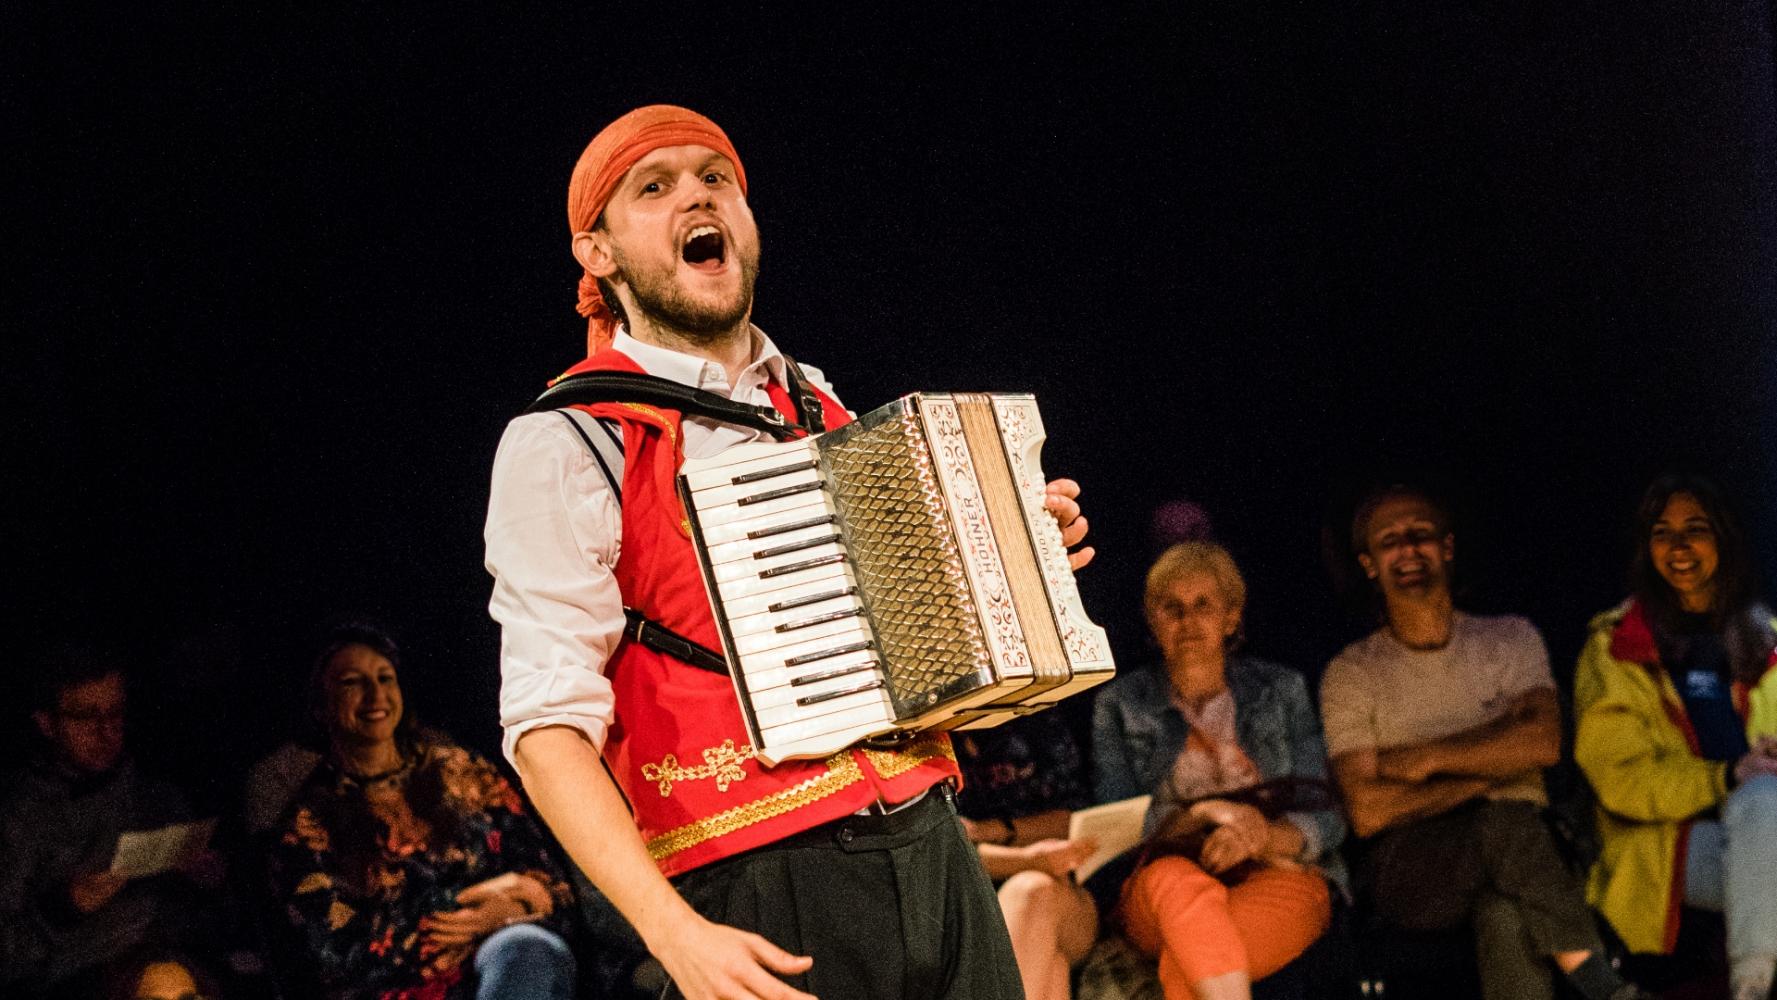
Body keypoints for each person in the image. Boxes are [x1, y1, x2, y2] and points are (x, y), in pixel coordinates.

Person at [484, 104, 1095, 1000]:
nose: (696, 195)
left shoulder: (818, 402)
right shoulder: (571, 443)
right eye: (653, 187)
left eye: (715, 177)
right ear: (598, 253)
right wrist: (675, 934)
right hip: (755, 878)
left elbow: (937, 673)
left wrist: (1011, 561)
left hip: (933, 848)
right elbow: (543, 732)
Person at [1320, 484, 1646, 1000]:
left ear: (1446, 548)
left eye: (1419, 534)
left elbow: (1542, 744)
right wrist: (1495, 763)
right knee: (1502, 820)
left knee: (1506, 911)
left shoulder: (1510, 639)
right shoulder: (1351, 673)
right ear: (1368, 564)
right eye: (1390, 541)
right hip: (1413, 864)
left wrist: (1425, 759)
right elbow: (1367, 810)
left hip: (1528, 852)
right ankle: (1603, 987)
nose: (1407, 549)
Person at [265, 625, 577, 1000]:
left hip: (504, 961)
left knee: (527, 948)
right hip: (398, 989)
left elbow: (552, 885)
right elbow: (338, 954)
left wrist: (506, 910)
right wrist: (475, 909)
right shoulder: (308, 824)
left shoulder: (463, 771)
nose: (375, 694)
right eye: (352, 682)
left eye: (385, 678)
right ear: (320, 705)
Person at [1091, 542, 1344, 1000]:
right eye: (1172, 608)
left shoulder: (1282, 690)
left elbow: (1325, 811)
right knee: (1177, 886)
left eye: (1203, 605)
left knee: (1194, 961)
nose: (1188, 621)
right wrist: (1207, 814)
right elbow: (1116, 824)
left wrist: (1257, 837)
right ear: (1153, 621)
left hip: (1277, 870)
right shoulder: (1121, 705)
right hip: (1164, 883)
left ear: (1231, 617)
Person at [1574, 476, 1777, 1000]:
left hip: (1759, 834)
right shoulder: (1618, 645)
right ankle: (1752, 987)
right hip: (1663, 847)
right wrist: (1726, 776)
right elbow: (1620, 779)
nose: (1679, 547)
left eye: (1695, 530)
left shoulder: (1763, 637)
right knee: (1759, 800)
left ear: (1724, 540)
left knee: (1763, 808)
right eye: (1662, 533)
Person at [0, 646, 219, 997]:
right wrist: (64, 907)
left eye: (115, 713)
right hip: (83, 983)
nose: (106, 731)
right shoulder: (19, 818)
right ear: (47, 723)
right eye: (86, 717)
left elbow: (213, 925)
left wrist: (209, 884)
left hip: (178, 969)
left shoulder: (157, 798)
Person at [953, 712, 1099, 1000]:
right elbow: (947, 853)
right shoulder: (930, 745)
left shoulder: (1040, 723)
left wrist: (993, 831)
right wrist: (1028, 858)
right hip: (972, 908)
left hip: (1066, 894)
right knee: (1051, 968)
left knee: (1030, 890)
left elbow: (1076, 820)